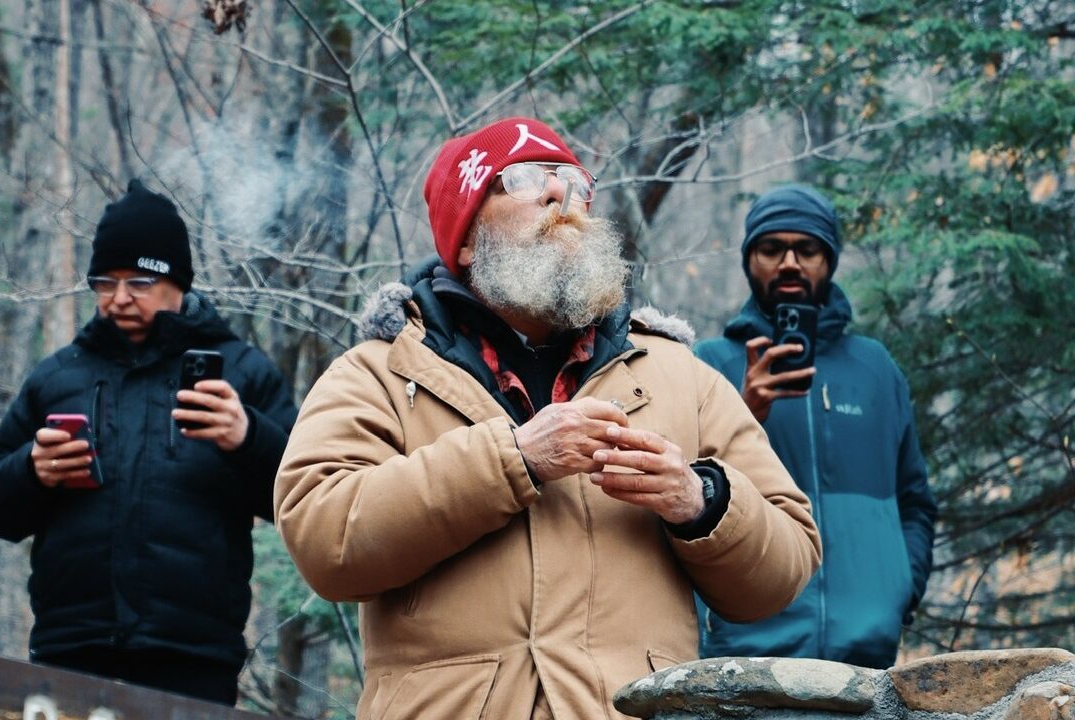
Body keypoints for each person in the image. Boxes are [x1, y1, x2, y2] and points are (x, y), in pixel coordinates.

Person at [274, 117, 822, 719]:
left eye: (574, 182)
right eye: (526, 180)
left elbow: (785, 567)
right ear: (464, 239)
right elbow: (323, 538)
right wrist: (514, 460)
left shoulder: (679, 375)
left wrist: (700, 499)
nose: (561, 195)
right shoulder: (379, 372)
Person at [0, 179, 297, 704]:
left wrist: (248, 437)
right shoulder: (58, 376)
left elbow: (306, 496)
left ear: (178, 284)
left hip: (194, 659)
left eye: (139, 282)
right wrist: (33, 470)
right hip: (70, 652)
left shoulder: (242, 374)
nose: (118, 297)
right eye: (105, 282)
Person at [694, 184, 937, 669]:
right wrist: (747, 413)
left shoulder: (875, 368)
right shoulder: (708, 365)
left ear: (828, 261)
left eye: (806, 249)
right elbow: (681, 500)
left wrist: (898, 589)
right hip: (745, 659)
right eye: (771, 249)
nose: (789, 262)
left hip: (868, 660)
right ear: (750, 261)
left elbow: (914, 500)